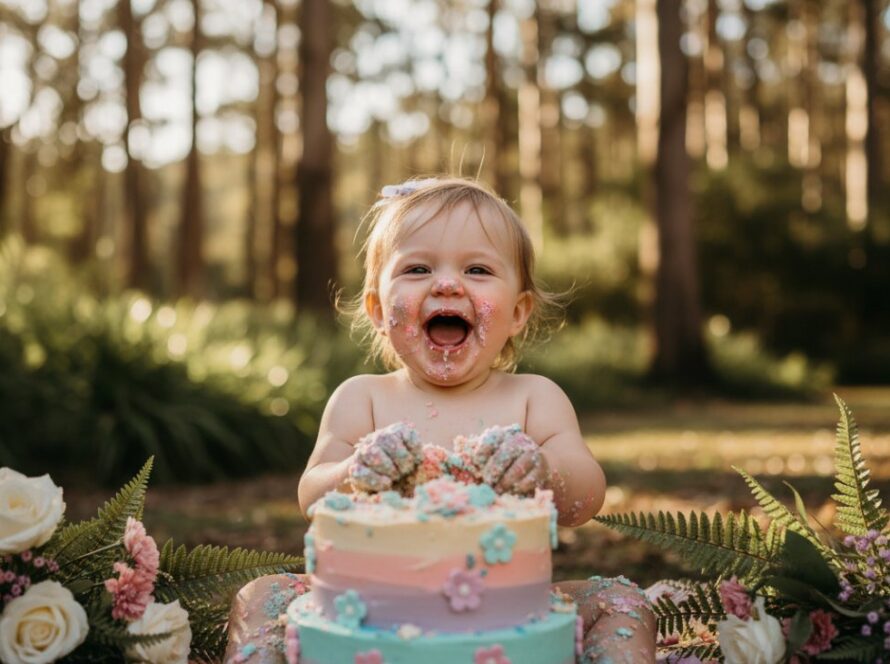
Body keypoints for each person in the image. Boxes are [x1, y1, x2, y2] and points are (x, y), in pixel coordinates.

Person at [225, 177, 656, 663]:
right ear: (377, 309)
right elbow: (311, 495)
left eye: (476, 269)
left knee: (622, 601)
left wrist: (540, 470)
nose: (447, 283)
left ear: (518, 312)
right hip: (367, 612)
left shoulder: (535, 399)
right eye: (417, 268)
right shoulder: (362, 399)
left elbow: (585, 497)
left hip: (504, 614)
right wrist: (354, 473)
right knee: (260, 594)